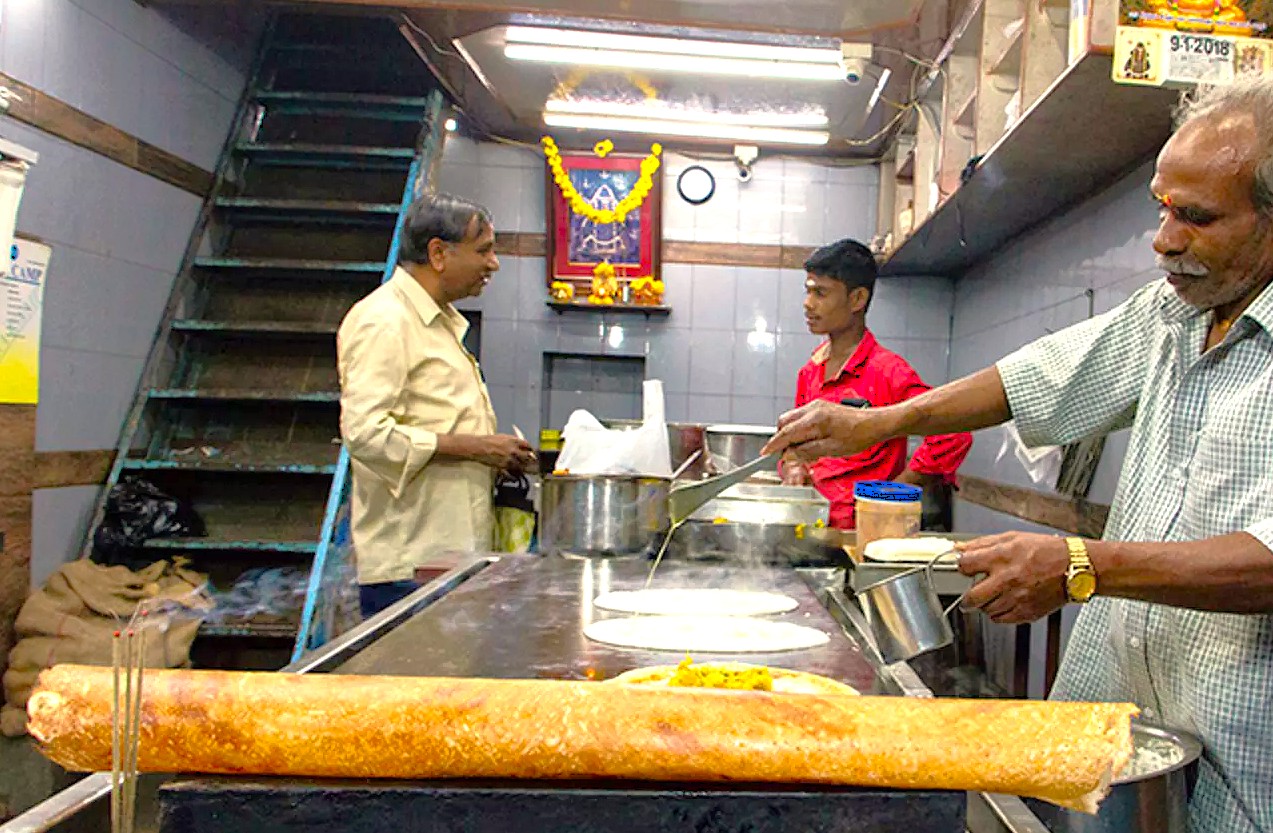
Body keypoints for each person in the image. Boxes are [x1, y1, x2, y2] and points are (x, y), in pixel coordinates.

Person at [762, 76, 1273, 832]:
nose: (1164, 239)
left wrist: (1081, 563)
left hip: (1237, 770)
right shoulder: (1170, 312)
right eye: (1160, 210)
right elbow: (1033, 377)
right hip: (1118, 736)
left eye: (1195, 217)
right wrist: (881, 422)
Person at [338, 193, 534, 618]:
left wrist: (498, 456)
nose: (494, 264)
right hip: (409, 567)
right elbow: (365, 434)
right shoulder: (385, 320)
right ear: (438, 253)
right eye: (483, 250)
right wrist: (475, 448)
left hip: (449, 560)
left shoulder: (440, 323)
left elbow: (437, 420)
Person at [783, 238, 972, 529]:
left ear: (857, 299)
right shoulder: (810, 371)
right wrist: (794, 466)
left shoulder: (888, 372)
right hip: (812, 526)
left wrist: (892, 493)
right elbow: (793, 445)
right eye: (807, 292)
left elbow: (953, 433)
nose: (808, 304)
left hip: (864, 534)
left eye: (821, 293)